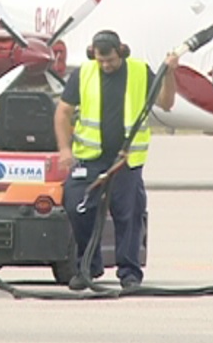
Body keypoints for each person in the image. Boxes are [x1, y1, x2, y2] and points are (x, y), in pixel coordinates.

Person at [53, 29, 178, 291]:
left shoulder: (139, 71)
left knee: (128, 214)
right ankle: (88, 266)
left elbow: (166, 103)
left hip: (126, 160)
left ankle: (129, 273)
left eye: (110, 60)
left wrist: (170, 74)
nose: (106, 65)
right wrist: (65, 149)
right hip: (90, 159)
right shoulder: (84, 73)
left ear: (120, 52)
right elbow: (63, 112)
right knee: (77, 206)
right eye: (101, 61)